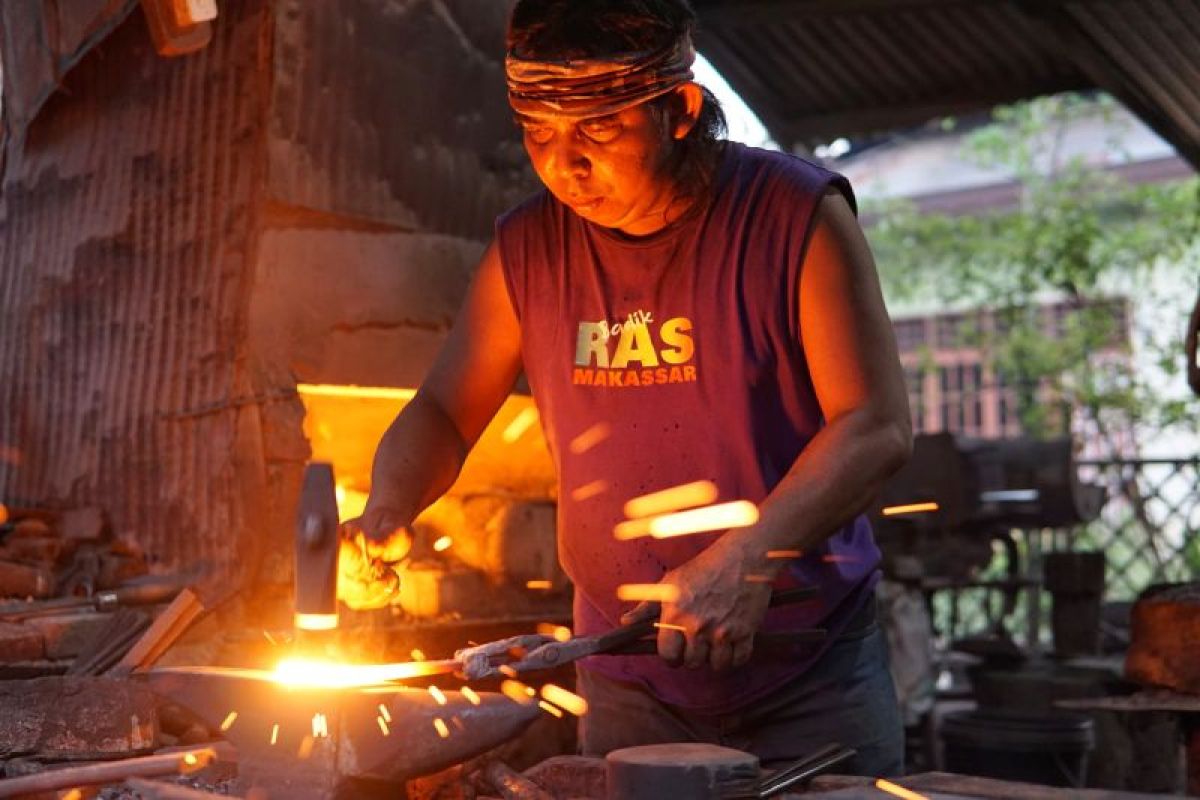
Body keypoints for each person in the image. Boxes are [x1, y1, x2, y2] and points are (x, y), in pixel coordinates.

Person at [341, 0, 912, 776]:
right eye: (539, 133)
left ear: (680, 110)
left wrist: (750, 556)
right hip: (625, 678)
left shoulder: (792, 215)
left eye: (598, 130)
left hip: (810, 677)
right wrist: (388, 508)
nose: (564, 165)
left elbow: (875, 425)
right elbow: (444, 411)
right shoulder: (529, 249)